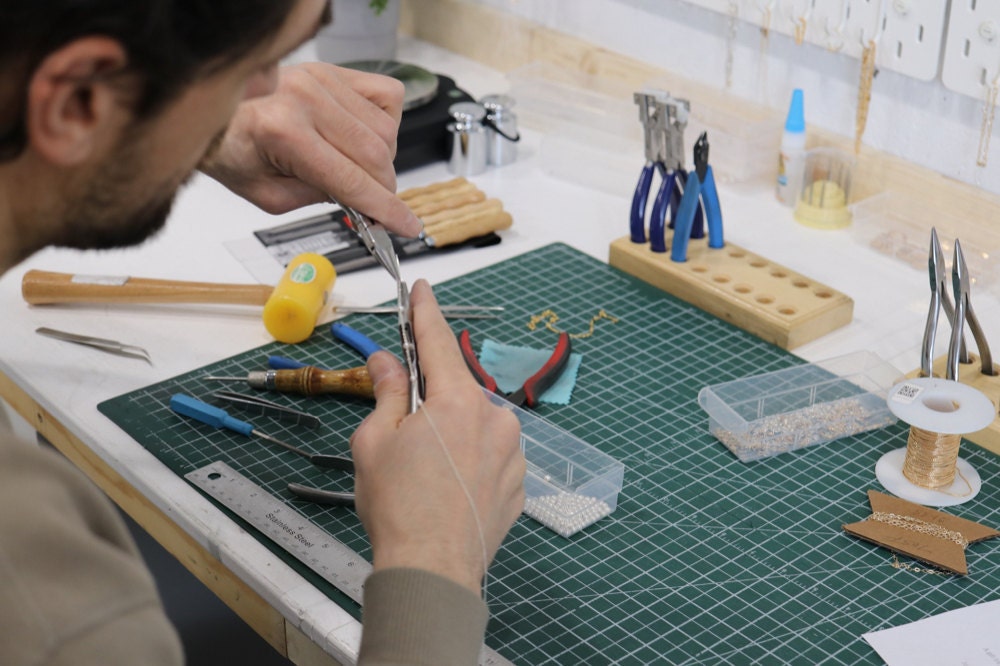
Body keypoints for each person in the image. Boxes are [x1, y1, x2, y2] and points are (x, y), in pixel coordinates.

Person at [0, 1, 526, 665]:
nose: (277, 98)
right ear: (78, 102)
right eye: (257, 68)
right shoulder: (49, 608)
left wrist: (185, 122)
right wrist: (435, 561)